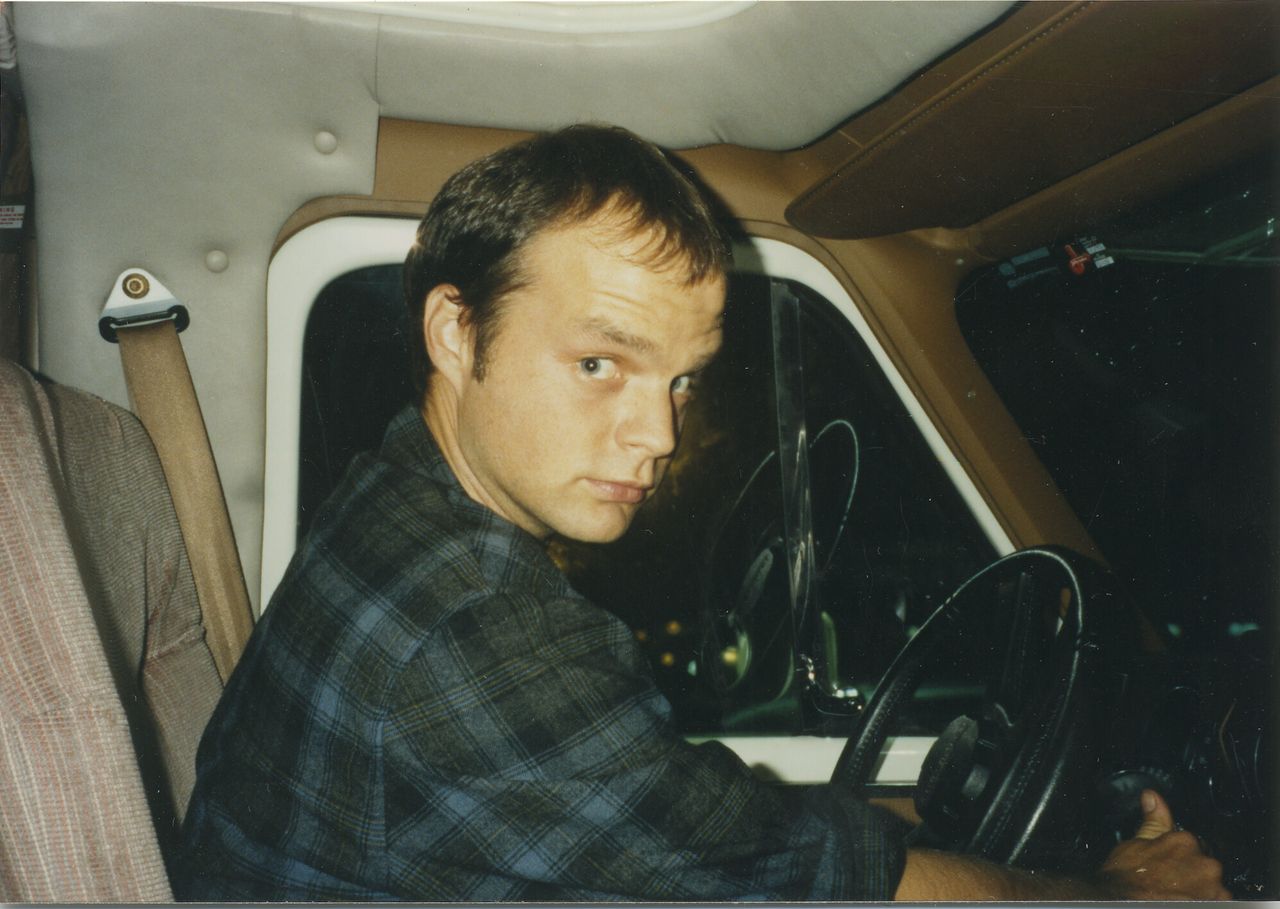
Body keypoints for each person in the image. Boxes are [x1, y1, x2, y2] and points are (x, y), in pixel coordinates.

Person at [175, 125, 1228, 901]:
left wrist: (904, 823)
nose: (659, 436)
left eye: (681, 381)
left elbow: (683, 820)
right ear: (456, 331)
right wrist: (1126, 896)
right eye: (599, 363)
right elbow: (774, 878)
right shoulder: (477, 629)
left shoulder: (398, 495)